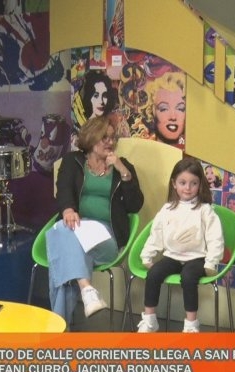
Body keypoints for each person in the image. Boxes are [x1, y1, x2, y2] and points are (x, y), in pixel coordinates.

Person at [46, 115, 143, 328]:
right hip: (76, 228)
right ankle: (83, 296)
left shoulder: (123, 166)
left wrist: (123, 172)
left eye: (112, 137)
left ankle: (63, 321)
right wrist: (68, 209)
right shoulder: (72, 161)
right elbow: (63, 189)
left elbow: (135, 205)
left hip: (106, 237)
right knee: (67, 242)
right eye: (104, 137)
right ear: (91, 138)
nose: (110, 142)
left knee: (61, 240)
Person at [137, 158, 225, 333]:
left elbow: (215, 238)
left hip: (197, 258)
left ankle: (191, 325)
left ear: (200, 185)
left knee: (188, 277)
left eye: (193, 183)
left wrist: (211, 262)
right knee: (154, 274)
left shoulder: (205, 210)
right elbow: (156, 234)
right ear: (174, 184)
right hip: (172, 257)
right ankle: (149, 320)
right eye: (182, 183)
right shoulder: (167, 209)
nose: (188, 188)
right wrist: (147, 256)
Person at [144, 71, 186, 148]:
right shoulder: (144, 149)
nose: (173, 117)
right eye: (164, 109)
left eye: (180, 109)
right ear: (152, 111)